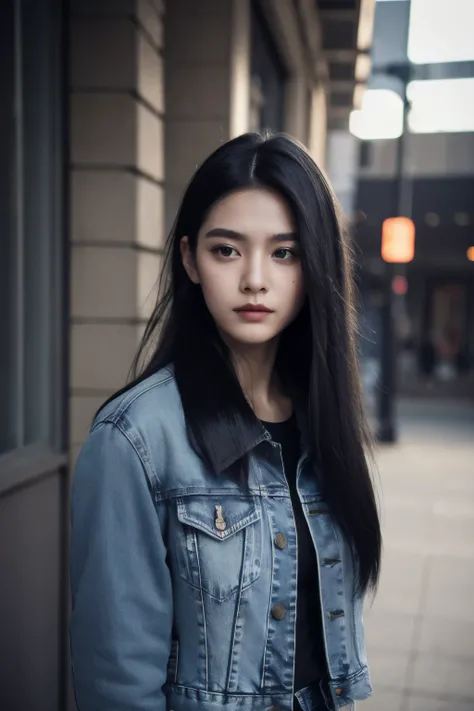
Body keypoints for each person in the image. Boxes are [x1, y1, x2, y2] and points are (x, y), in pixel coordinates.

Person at [70, 132, 382, 711]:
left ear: (315, 265)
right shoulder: (135, 441)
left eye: (284, 252)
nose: (255, 280)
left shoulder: (323, 421)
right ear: (189, 259)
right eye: (227, 250)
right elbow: (117, 681)